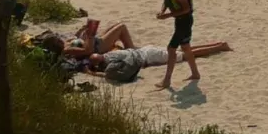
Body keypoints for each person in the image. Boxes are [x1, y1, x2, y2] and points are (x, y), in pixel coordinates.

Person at [87, 41, 230, 76]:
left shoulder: (109, 62)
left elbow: (110, 73)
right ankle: (219, 44)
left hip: (150, 56)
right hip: (146, 50)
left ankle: (219, 47)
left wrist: (93, 73)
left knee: (186, 56)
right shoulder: (109, 53)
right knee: (183, 50)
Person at [154, 0, 197, 88]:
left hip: (185, 22)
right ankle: (195, 73)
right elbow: (166, 2)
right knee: (185, 47)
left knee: (171, 48)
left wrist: (168, 15)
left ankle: (167, 80)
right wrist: (162, 11)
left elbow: (186, 10)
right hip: (178, 22)